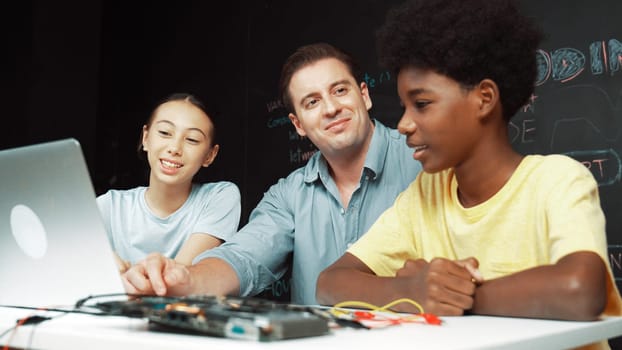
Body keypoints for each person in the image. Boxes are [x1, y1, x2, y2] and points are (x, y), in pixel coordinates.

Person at [316, 0, 622, 334]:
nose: (403, 124)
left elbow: (580, 291)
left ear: (484, 98)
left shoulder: (556, 181)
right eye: (405, 106)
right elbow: (330, 283)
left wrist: (457, 295)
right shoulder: (425, 195)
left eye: (421, 104)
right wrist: (411, 291)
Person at [120, 43, 423, 304]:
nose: (330, 108)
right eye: (312, 102)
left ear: (365, 96)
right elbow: (244, 258)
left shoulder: (423, 161)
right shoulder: (288, 196)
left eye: (340, 90)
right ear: (298, 125)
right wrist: (184, 279)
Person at [97, 93, 241, 274]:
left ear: (209, 155)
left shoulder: (220, 198)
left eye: (192, 140)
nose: (174, 148)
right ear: (146, 138)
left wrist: (121, 275)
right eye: (165, 133)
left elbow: (178, 277)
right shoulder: (110, 206)